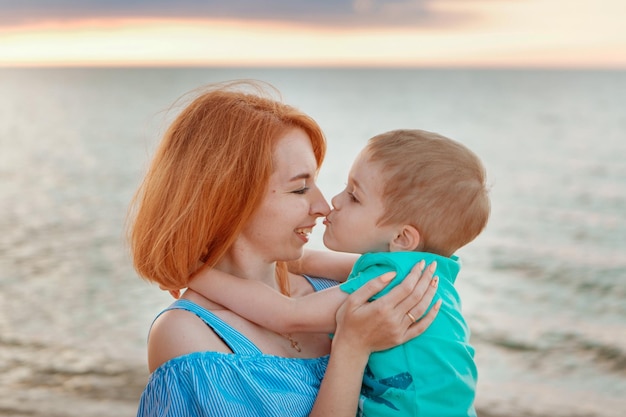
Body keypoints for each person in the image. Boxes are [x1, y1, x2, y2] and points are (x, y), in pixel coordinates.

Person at [127, 82, 441, 417]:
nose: (323, 206)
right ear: (229, 198)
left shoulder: (335, 286)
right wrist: (351, 349)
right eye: (300, 189)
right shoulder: (187, 336)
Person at [188, 129, 491, 416]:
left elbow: (286, 314)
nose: (333, 201)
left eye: (354, 196)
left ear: (402, 238)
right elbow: (306, 263)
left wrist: (195, 274)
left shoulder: (388, 283)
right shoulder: (420, 271)